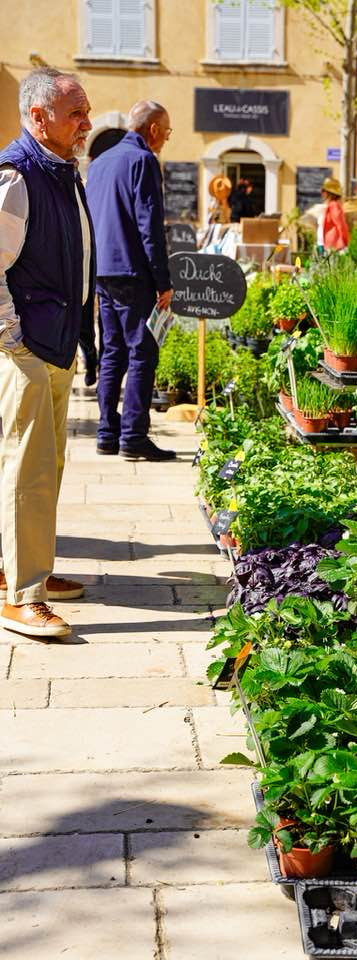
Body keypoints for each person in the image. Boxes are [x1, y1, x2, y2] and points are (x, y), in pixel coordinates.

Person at [0, 67, 95, 639]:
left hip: (54, 343)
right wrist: (12, 338)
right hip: (28, 347)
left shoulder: (61, 171)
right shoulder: (17, 176)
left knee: (43, 467)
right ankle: (23, 594)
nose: (86, 122)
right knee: (28, 471)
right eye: (76, 113)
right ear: (39, 117)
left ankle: (23, 565)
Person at [86, 101, 175, 461]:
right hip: (133, 272)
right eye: (166, 132)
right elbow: (149, 226)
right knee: (143, 352)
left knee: (112, 352)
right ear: (152, 129)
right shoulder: (143, 161)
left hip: (103, 271)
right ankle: (134, 437)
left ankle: (107, 433)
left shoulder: (102, 161)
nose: (166, 139)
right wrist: (163, 281)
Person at [319, 178, 349, 253]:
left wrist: (345, 242)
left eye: (323, 190)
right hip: (329, 245)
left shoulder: (334, 206)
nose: (321, 193)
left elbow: (341, 225)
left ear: (329, 193)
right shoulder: (329, 206)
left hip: (335, 246)